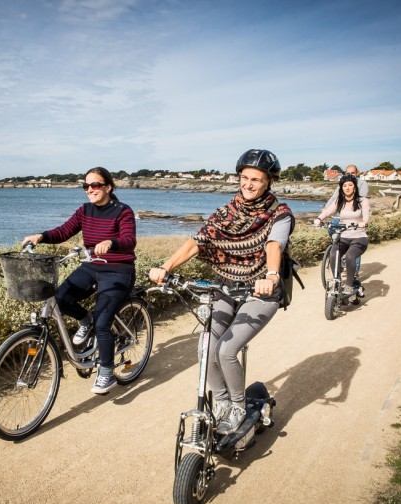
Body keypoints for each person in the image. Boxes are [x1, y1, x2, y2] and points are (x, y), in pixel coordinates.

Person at [149, 149, 294, 435]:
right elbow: (198, 242)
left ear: (268, 182)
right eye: (244, 178)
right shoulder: (227, 212)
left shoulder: (279, 214)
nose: (248, 184)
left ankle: (238, 406)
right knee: (206, 346)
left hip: (260, 291)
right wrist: (164, 267)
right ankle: (222, 403)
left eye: (256, 179)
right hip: (226, 287)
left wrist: (271, 275)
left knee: (227, 349)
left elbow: (274, 245)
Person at [23, 167, 137, 395]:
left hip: (118, 270)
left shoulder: (123, 211)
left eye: (95, 185)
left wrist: (111, 243)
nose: (90, 190)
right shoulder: (85, 211)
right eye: (86, 186)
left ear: (108, 187)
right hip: (92, 265)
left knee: (103, 321)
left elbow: (129, 239)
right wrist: (41, 236)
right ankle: (86, 321)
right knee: (59, 299)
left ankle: (106, 372)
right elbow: (64, 231)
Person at [313, 174, 371, 297]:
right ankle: (337, 281)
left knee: (350, 256)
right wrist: (319, 218)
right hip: (344, 236)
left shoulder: (362, 201)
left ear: (355, 187)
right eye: (345, 186)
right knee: (334, 254)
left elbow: (366, 216)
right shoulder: (339, 200)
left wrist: (364, 222)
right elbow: (329, 211)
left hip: (359, 237)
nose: (347, 188)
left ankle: (349, 284)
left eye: (350, 185)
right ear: (341, 188)